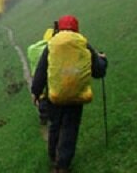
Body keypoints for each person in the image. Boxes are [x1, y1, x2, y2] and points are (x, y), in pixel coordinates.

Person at [31, 15, 107, 173]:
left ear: (59, 28)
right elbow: (98, 71)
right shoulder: (83, 43)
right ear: (76, 28)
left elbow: (41, 70)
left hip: (55, 94)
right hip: (76, 94)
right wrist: (103, 60)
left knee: (55, 126)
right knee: (70, 128)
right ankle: (63, 164)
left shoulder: (51, 44)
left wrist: (35, 92)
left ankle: (53, 157)